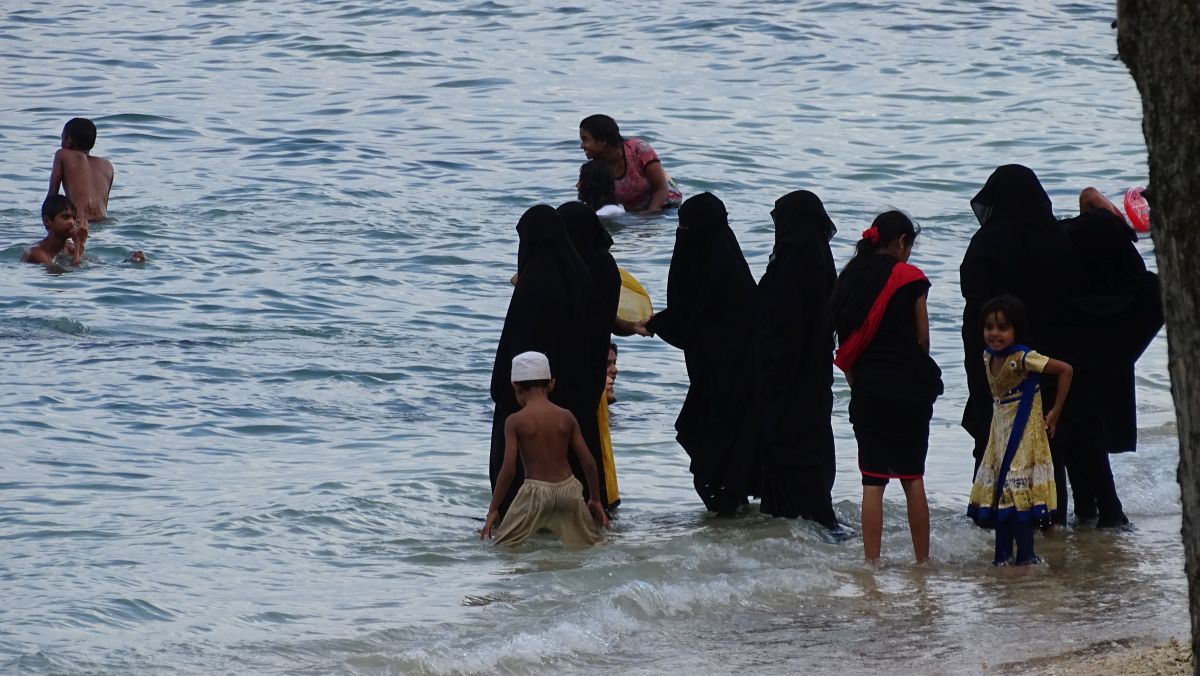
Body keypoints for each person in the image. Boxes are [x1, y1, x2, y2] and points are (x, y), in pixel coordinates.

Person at [960, 165, 1080, 526]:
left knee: (993, 434)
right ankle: (1049, 515)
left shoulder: (988, 241)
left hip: (996, 359)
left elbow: (973, 297)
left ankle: (992, 513)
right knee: (1045, 440)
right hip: (1046, 353)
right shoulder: (1057, 239)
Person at [635, 192, 765, 514]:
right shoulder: (736, 277)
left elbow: (691, 321)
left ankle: (727, 524)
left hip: (721, 387)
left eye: (685, 228)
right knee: (727, 458)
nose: (682, 236)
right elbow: (695, 317)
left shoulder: (713, 276)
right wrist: (661, 322)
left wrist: (660, 323)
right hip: (741, 385)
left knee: (713, 460)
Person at [831, 211, 942, 563]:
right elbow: (922, 339)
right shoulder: (910, 278)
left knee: (873, 482)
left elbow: (844, 341)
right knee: (913, 479)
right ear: (902, 242)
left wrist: (860, 381)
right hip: (909, 390)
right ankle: (922, 563)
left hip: (869, 390)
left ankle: (872, 564)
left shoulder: (849, 278)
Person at [489, 205, 604, 518]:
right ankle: (588, 508)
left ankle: (506, 514)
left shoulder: (533, 282)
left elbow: (515, 343)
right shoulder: (580, 274)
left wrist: (503, 388)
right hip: (573, 391)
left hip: (528, 394)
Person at [967, 296, 1072, 565]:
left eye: (1003, 327)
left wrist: (1055, 412)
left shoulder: (1024, 357)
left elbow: (1065, 370)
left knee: (1018, 495)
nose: (994, 333)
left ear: (1016, 329)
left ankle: (1026, 557)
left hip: (1025, 437)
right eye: (989, 327)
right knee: (1002, 494)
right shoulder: (987, 355)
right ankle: (1003, 557)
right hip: (999, 435)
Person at [756, 190, 840, 529]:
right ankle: (800, 516)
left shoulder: (790, 262)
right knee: (810, 439)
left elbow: (784, 324)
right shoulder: (819, 257)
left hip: (790, 373)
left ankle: (817, 519)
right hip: (815, 370)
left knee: (793, 444)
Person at [481, 351, 609, 546]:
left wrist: (493, 509)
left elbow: (508, 469)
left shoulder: (515, 421)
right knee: (590, 545)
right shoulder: (566, 416)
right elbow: (588, 461)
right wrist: (595, 499)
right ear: (551, 384)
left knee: (503, 546)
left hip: (534, 493)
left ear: (515, 386)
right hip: (569, 490)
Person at [558, 200, 625, 510]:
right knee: (587, 437)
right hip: (590, 370)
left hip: (561, 373)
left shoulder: (563, 267)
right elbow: (603, 317)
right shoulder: (604, 266)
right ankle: (597, 500)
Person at [578, 114, 682, 213]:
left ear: (603, 141)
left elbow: (661, 189)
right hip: (632, 214)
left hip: (667, 207)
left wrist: (650, 215)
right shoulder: (596, 168)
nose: (582, 146)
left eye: (585, 140)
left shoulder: (638, 150)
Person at [48, 118, 114, 225]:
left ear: (68, 141)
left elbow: (52, 197)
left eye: (62, 137)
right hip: (103, 221)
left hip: (79, 221)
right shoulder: (107, 165)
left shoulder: (62, 155)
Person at [21, 195, 87, 269]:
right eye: (66, 217)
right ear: (47, 221)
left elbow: (82, 266)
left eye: (74, 218)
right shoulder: (36, 254)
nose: (72, 222)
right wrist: (78, 243)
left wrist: (81, 243)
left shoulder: (70, 247)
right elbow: (75, 271)